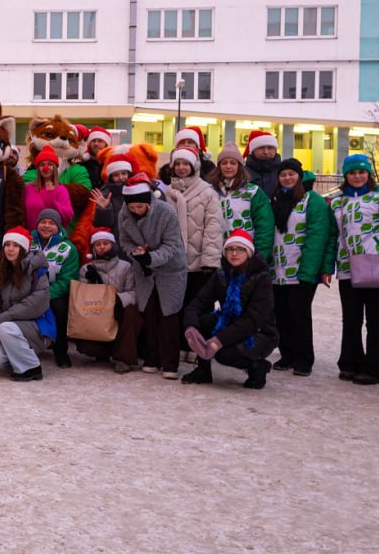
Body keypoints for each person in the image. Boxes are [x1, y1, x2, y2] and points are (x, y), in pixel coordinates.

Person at [325, 153, 379, 385]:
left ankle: (374, 368)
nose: (357, 176)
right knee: (350, 318)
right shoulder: (337, 203)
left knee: (375, 319)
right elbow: (332, 236)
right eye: (352, 172)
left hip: (377, 268)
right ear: (345, 176)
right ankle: (349, 362)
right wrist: (329, 264)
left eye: (361, 172)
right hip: (348, 268)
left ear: (368, 174)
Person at [181, 229, 279, 389]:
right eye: (230, 249)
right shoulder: (221, 275)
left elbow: (252, 320)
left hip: (259, 332)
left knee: (224, 354)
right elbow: (197, 302)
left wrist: (219, 340)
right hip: (229, 323)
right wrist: (191, 328)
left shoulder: (261, 279)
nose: (234, 253)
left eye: (240, 249)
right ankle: (203, 370)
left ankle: (257, 367)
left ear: (248, 252)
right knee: (202, 322)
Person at [116, 176, 187, 379]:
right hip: (143, 268)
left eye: (140, 206)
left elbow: (172, 245)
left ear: (149, 202)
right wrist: (136, 253)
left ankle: (170, 363)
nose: (136, 210)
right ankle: (151, 358)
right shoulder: (124, 215)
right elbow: (124, 240)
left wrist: (150, 257)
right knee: (149, 312)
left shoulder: (166, 212)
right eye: (132, 207)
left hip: (170, 269)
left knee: (169, 315)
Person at [269, 158, 333, 377]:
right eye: (283, 174)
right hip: (277, 268)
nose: (287, 178)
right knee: (281, 314)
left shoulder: (312, 200)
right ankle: (286, 355)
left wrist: (311, 268)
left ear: (299, 175)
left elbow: (318, 235)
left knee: (299, 315)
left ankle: (304, 359)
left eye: (291, 174)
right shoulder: (275, 198)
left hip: (301, 268)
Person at [166, 147, 226, 363]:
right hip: (174, 262)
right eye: (177, 164)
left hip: (200, 261)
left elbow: (213, 227)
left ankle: (198, 346)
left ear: (194, 166)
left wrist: (210, 260)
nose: (181, 168)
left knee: (199, 306)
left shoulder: (207, 192)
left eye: (186, 164)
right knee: (177, 305)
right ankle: (181, 345)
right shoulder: (166, 192)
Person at [0, 227, 53, 381]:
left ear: (23, 247)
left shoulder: (36, 270)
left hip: (37, 326)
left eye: (15, 245)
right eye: (7, 245)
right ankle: (22, 359)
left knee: (5, 327)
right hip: (9, 328)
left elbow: (36, 304)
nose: (10, 249)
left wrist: (0, 321)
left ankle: (32, 368)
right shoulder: (0, 269)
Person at [75, 229, 142, 372]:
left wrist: (118, 299)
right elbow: (82, 297)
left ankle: (124, 359)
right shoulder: (86, 269)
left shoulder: (126, 267)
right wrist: (92, 282)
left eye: (106, 243)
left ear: (113, 245)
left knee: (132, 313)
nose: (102, 247)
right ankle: (101, 352)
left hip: (119, 307)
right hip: (96, 309)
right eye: (98, 244)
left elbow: (134, 292)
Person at [30, 208, 80, 368]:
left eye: (51, 223)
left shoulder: (68, 249)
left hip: (53, 292)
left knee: (60, 308)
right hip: (26, 291)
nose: (46, 226)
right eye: (43, 222)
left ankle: (60, 351)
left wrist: (44, 294)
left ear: (58, 227)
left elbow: (67, 280)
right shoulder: (27, 242)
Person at [209, 142, 274, 265]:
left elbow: (265, 227)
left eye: (233, 163)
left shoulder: (253, 192)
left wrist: (258, 258)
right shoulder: (210, 192)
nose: (228, 166)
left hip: (247, 257)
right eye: (224, 163)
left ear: (239, 166)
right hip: (218, 257)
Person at [69, 152, 137, 255]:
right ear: (111, 177)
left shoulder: (137, 190)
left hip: (135, 240)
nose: (121, 177)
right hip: (115, 241)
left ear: (129, 174)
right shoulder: (104, 194)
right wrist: (104, 209)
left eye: (124, 173)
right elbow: (101, 225)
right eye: (116, 175)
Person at [243, 130, 284, 198]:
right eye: (261, 148)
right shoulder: (242, 172)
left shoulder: (283, 171)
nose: (266, 152)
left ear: (275, 150)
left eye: (270, 148)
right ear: (253, 151)